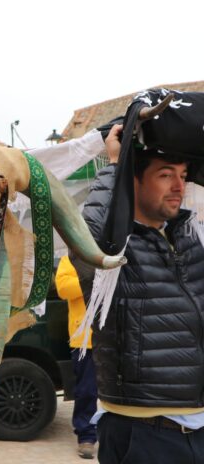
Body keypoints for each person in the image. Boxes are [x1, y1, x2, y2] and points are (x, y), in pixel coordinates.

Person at [81, 121, 204, 463]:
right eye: (166, 175)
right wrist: (114, 167)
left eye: (183, 174)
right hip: (145, 435)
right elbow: (88, 240)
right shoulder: (117, 251)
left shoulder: (190, 240)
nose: (179, 185)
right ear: (133, 181)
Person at [55, 255, 97, 459]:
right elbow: (64, 288)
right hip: (85, 340)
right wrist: (97, 278)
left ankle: (113, 434)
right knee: (86, 391)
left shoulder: (117, 255)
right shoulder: (69, 259)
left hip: (117, 338)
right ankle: (86, 437)